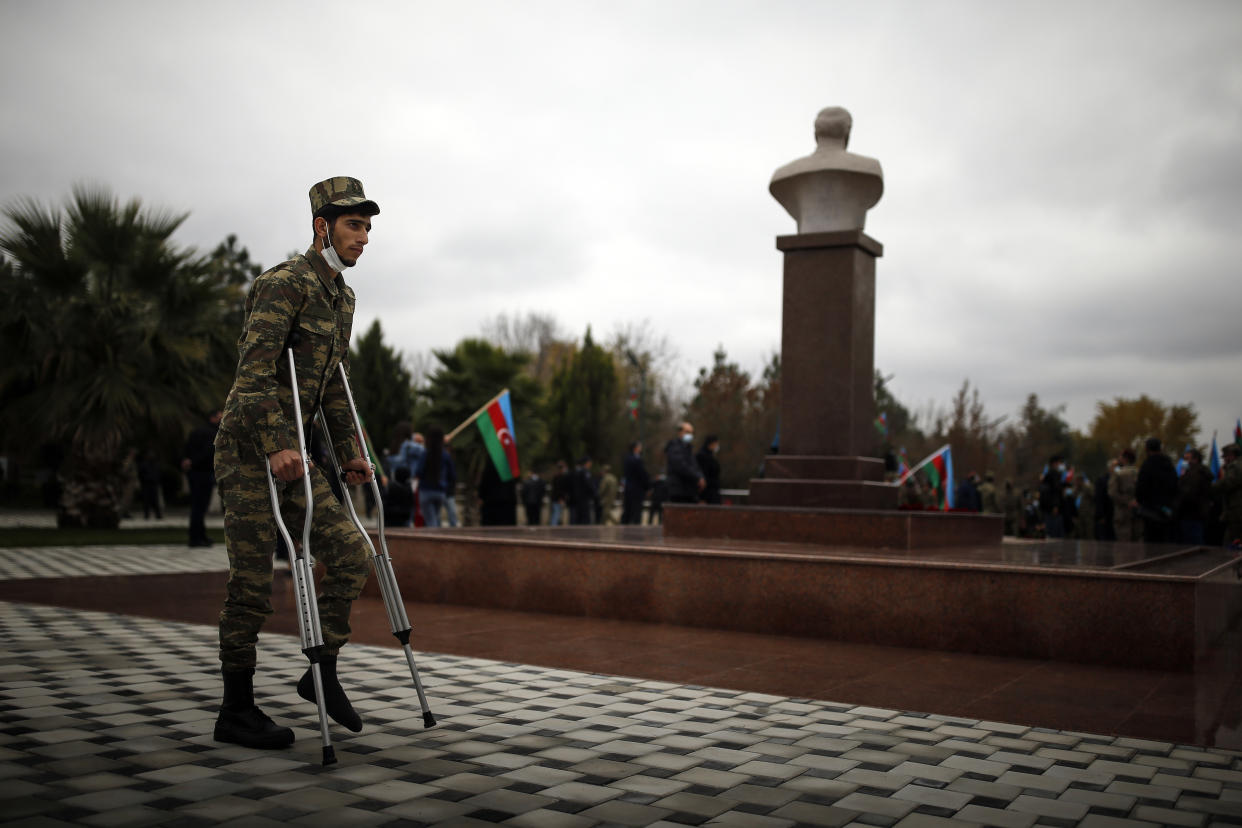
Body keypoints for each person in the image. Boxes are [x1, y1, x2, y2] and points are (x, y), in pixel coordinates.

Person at [211, 177, 379, 750]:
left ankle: (321, 671)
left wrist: (352, 449)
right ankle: (236, 710)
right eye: (353, 225)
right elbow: (254, 375)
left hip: (298, 455)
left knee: (354, 554)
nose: (363, 237)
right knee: (253, 585)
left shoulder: (343, 299)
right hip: (248, 449)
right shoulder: (284, 286)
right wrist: (277, 440)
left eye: (367, 227)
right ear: (321, 227)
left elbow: (333, 383)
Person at [182, 410, 221, 547]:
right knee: (199, 507)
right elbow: (208, 452)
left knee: (198, 506)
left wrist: (188, 461)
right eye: (219, 416)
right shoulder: (211, 433)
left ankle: (200, 535)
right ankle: (196, 538)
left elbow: (187, 449)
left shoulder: (197, 431)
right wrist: (193, 461)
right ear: (212, 418)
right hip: (203, 473)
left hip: (195, 472)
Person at [1135, 437, 1178, 543]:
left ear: (1147, 449)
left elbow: (1141, 487)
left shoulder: (1147, 465)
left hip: (1150, 510)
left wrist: (1140, 500)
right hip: (1166, 509)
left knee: (1151, 542)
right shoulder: (1168, 464)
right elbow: (1175, 485)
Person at [415, 426, 454, 527]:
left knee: (431, 521)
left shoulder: (425, 454)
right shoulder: (446, 455)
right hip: (440, 492)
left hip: (425, 491)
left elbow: (418, 471)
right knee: (435, 518)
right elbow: (452, 475)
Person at [1177, 447, 1214, 545]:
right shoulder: (1201, 472)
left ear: (1195, 459)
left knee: (1192, 542)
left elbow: (1188, 493)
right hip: (1199, 512)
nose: (1185, 461)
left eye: (1187, 458)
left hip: (1191, 512)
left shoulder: (1195, 473)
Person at [665, 422, 704, 504]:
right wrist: (697, 476)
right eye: (687, 432)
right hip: (678, 491)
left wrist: (700, 476)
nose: (690, 435)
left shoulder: (688, 448)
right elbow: (681, 466)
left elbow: (694, 465)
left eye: (691, 432)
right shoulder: (674, 447)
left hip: (688, 491)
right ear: (680, 432)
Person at [1215, 442, 1242, 547]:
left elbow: (1227, 483)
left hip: (1236, 512)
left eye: (1225, 456)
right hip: (1236, 511)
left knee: (1232, 543)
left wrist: (1209, 488)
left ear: (1231, 455)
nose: (1224, 459)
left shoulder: (1235, 466)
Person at [1109, 449, 1140, 541]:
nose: (1119, 459)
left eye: (1121, 457)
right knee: (1137, 542)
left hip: (1122, 512)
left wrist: (1127, 502)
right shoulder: (1139, 472)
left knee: (1123, 543)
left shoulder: (1118, 474)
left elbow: (1112, 492)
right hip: (1138, 511)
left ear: (1125, 459)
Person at [621, 442, 650, 525]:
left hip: (628, 488)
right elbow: (642, 474)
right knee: (636, 512)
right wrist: (648, 486)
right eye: (640, 447)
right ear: (636, 448)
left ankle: (624, 528)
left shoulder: (627, 458)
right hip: (637, 489)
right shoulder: (637, 460)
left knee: (627, 511)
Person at [1038, 456, 1066, 538]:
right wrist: (1055, 505)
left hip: (1047, 507)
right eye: (1058, 463)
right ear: (1054, 463)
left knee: (1050, 529)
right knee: (1055, 531)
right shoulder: (1054, 475)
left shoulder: (1047, 475)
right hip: (1053, 507)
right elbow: (1055, 491)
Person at [696, 435, 722, 504]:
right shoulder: (703, 457)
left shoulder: (709, 456)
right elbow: (703, 478)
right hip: (708, 494)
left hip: (712, 492)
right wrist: (702, 497)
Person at [137, 449, 163, 520]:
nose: (151, 456)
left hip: (153, 484)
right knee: (146, 500)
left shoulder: (156, 464)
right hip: (146, 484)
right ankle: (146, 515)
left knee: (155, 500)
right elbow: (140, 474)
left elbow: (158, 473)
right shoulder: (143, 464)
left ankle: (158, 514)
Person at [570, 457, 596, 524]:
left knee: (578, 518)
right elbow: (588, 484)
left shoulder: (576, 472)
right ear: (587, 463)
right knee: (585, 518)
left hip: (577, 498)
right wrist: (594, 493)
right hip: (584, 498)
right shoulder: (585, 472)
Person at [549, 461, 570, 526]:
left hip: (556, 498)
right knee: (556, 515)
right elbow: (559, 490)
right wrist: (561, 499)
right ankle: (553, 528)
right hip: (558, 499)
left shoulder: (556, 477)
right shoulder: (560, 477)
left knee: (556, 514)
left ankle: (554, 527)